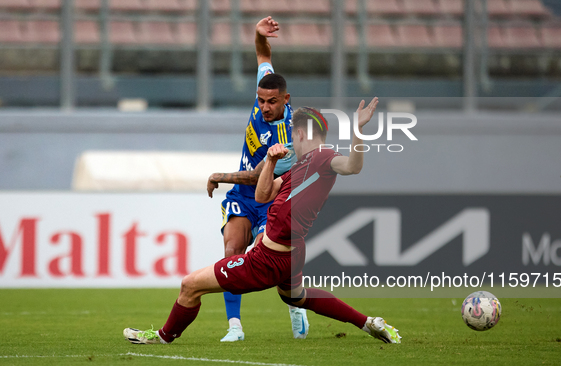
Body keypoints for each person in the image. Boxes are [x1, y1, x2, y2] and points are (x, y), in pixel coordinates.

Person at [123, 98, 402, 346]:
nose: (290, 136)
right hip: (289, 254)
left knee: (190, 285)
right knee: (297, 297)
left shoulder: (324, 157)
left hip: (268, 259)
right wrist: (269, 160)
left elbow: (353, 166)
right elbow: (262, 194)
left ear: (302, 132)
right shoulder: (299, 167)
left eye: (293, 131)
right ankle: (369, 323)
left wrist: (358, 129)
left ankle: (163, 336)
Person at [206, 16, 308, 342]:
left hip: (271, 197)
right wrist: (258, 34)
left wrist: (218, 176)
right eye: (261, 100)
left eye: (271, 102)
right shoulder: (265, 89)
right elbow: (264, 57)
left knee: (272, 267)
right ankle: (234, 326)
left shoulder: (291, 136)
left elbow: (257, 177)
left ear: (286, 100)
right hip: (242, 196)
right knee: (231, 252)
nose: (264, 107)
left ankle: (294, 302)